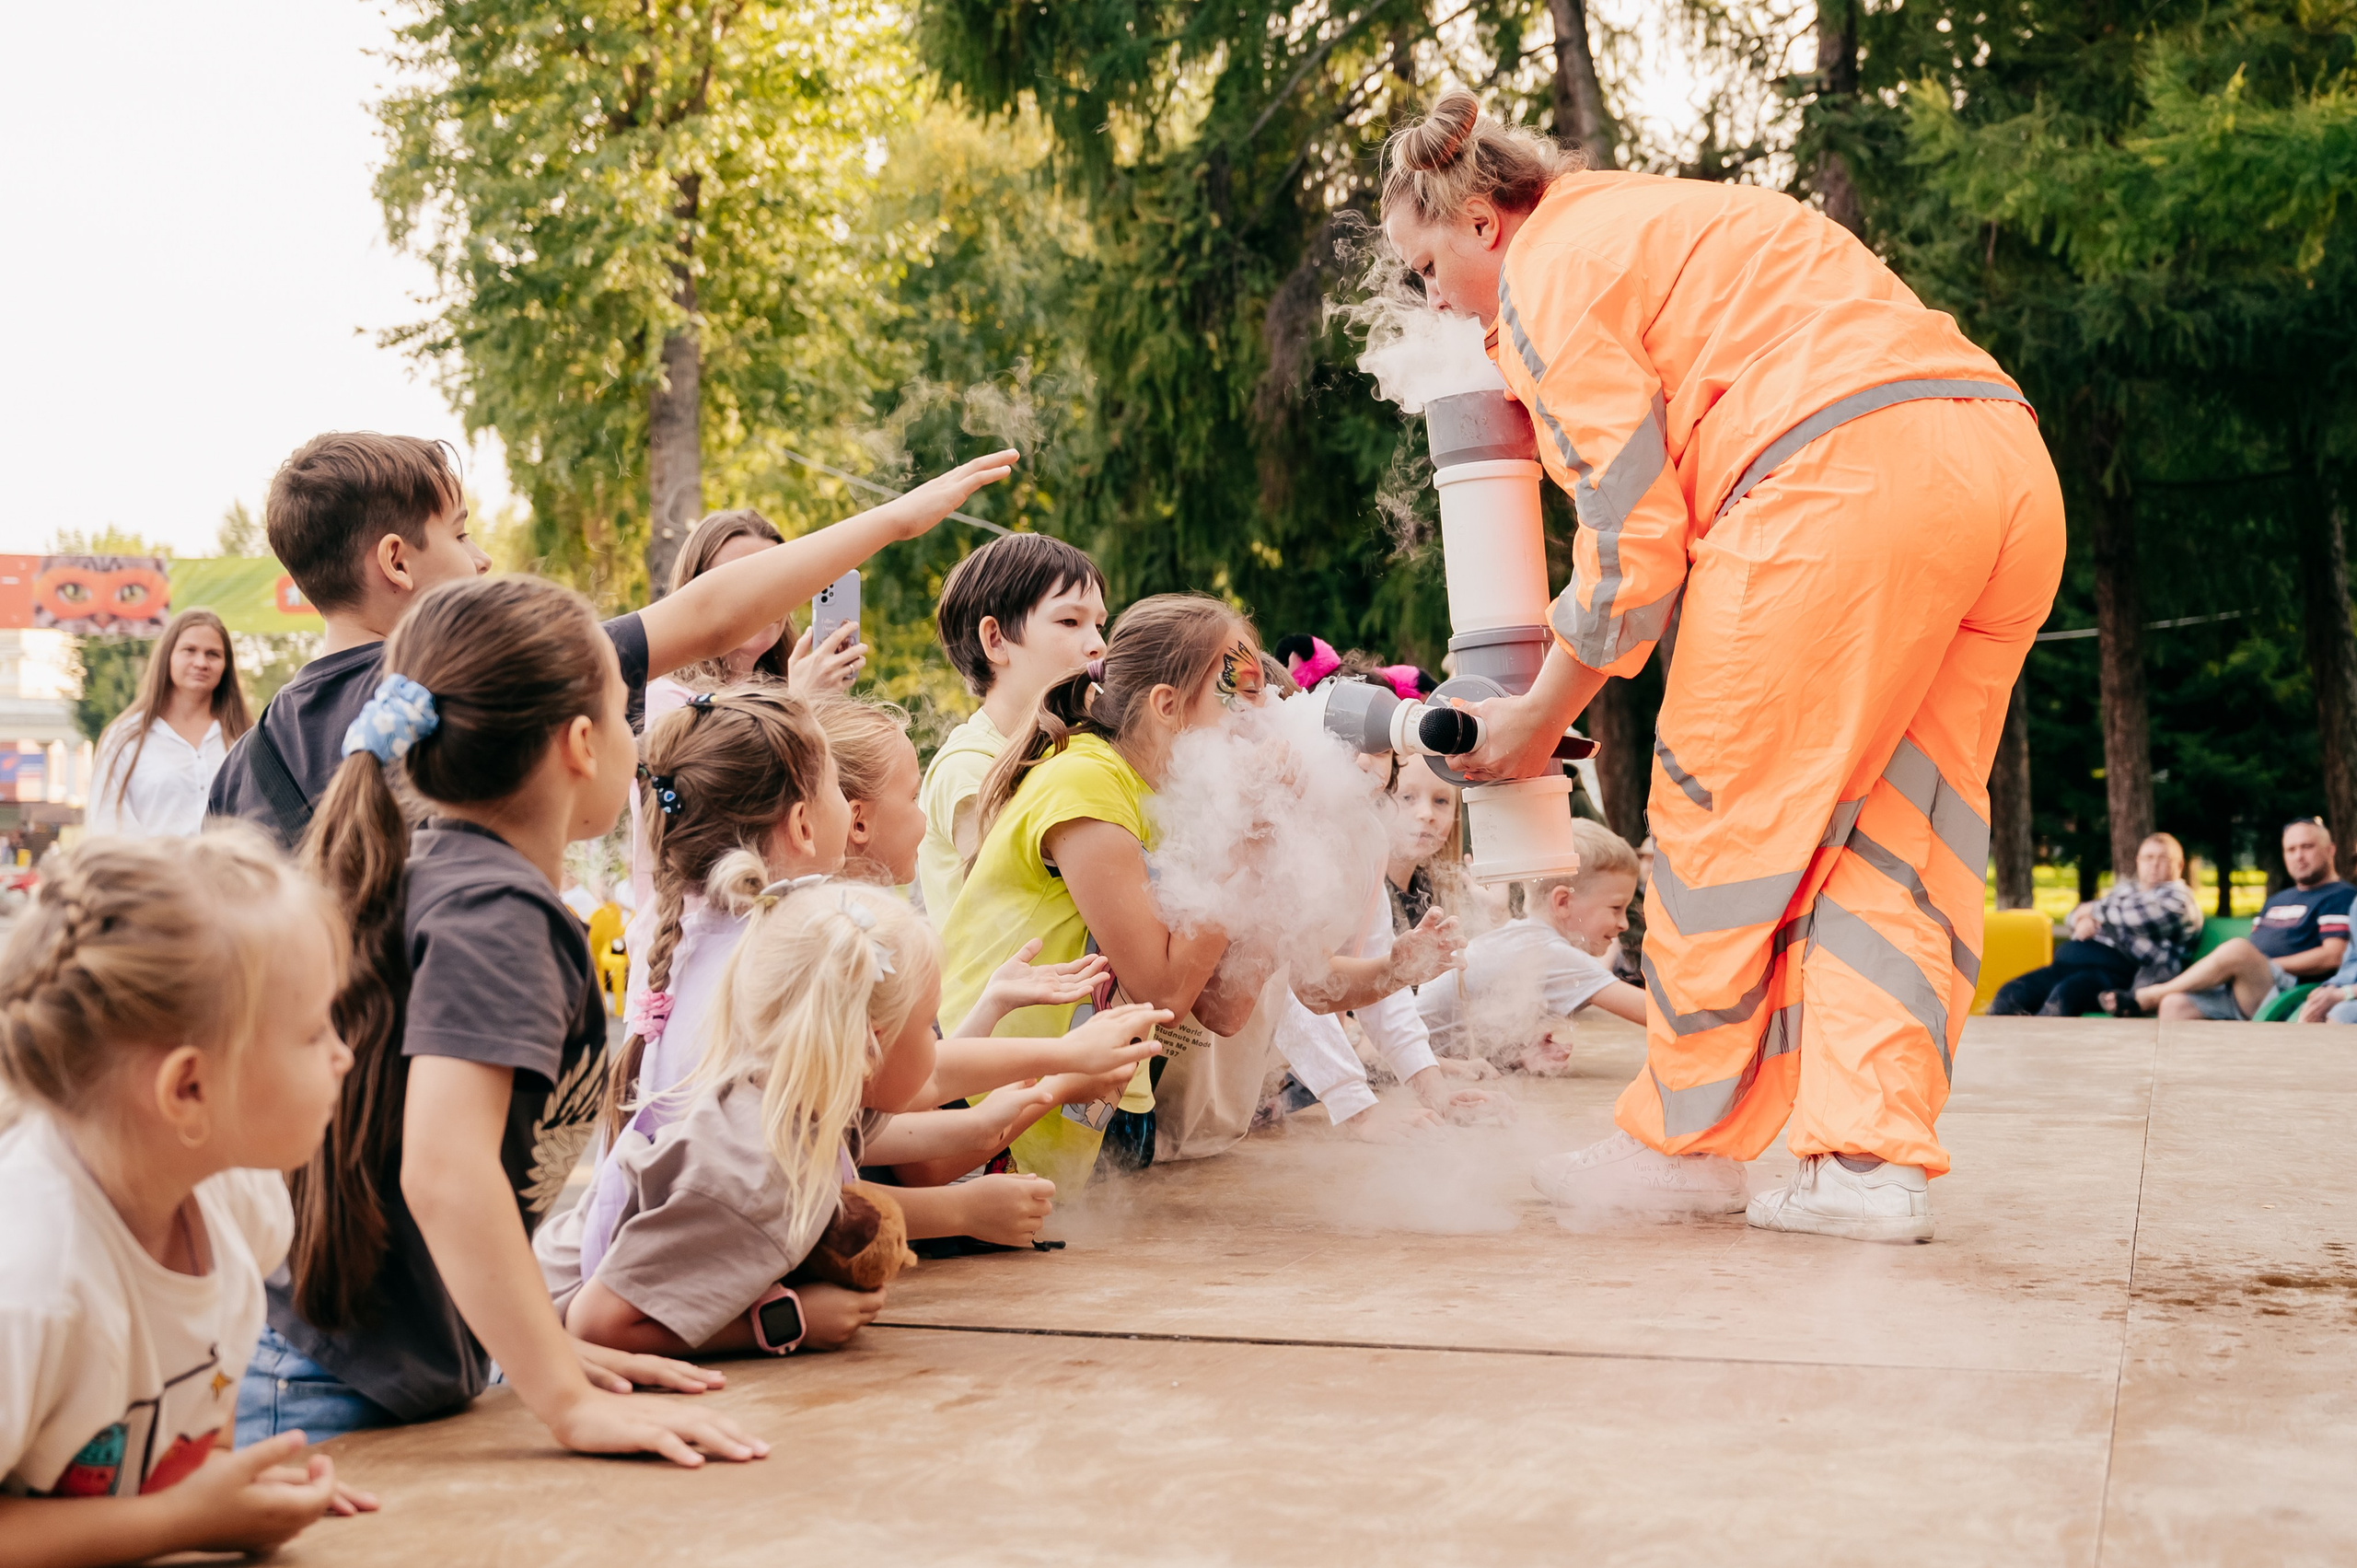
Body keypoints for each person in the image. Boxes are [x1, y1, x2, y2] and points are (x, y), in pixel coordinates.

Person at [1393, 91, 2065, 1244]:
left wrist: (1539, 712)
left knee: (1721, 827)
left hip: (1835, 483)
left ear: (1483, 224)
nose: (1433, 299)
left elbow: (1631, 536)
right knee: (1894, 848)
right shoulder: (1661, 216)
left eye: (1425, 267)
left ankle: (1685, 1149)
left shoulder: (1549, 270)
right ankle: (1864, 1165)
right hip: (2000, 467)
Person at [244, 575, 765, 1469]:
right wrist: (564, 1400)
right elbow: (445, 1172)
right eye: (625, 709)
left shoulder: (447, 875)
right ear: (579, 742)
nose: (636, 737)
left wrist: (535, 1348)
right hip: (337, 1394)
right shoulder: (497, 913)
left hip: (359, 1368)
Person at [207, 431, 1014, 844]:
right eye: (459, 533)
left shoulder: (247, 764)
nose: (481, 558)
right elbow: (708, 613)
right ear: (396, 560)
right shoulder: (485, 676)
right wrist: (896, 519)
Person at [0, 831, 367, 1564]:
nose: (344, 1053)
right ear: (189, 1087)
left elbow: (203, 1394)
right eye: (312, 1031)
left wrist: (228, 1494)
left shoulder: (240, 1201)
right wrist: (181, 1521)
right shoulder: (32, 1284)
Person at [938, 595, 1268, 1191]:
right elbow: (1164, 992)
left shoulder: (1167, 798)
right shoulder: (1087, 779)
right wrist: (1241, 839)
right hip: (979, 1113)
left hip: (1076, 1118)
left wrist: (1275, 851)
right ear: (1167, 705)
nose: (1260, 718)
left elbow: (1225, 1008)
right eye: (1240, 694)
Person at [552, 877, 942, 1360]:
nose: (936, 1041)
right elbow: (595, 1325)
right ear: (870, 1044)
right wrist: (792, 1320)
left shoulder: (794, 1105)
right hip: (539, 1361)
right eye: (929, 1025)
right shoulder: (759, 1171)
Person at [917, 533, 1108, 923]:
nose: (1098, 645)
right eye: (1070, 621)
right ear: (996, 640)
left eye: (1100, 625)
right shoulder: (967, 765)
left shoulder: (1080, 748)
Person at [1422, 819, 1650, 1071]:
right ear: (1563, 902)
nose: (1624, 924)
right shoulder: (1551, 953)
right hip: (1407, 1060)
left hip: (1411, 1054)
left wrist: (1516, 1055)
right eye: (1616, 908)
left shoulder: (1525, 939)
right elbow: (1659, 1014)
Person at [2112, 819, 2350, 1020]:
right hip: (2245, 985)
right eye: (2291, 849)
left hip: (2290, 992)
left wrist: (2262, 963)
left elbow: (2333, 956)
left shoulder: (2339, 895)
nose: (2299, 856)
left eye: (2307, 847)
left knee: (2238, 950)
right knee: (2174, 1005)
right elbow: (2255, 947)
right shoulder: (2277, 900)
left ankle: (2153, 994)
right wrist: (2247, 964)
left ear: (2330, 850)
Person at [1990, 832, 2200, 1016]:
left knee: (2065, 995)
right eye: (2149, 857)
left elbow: (2139, 917)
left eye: (2163, 858)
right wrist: (2085, 918)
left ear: (2179, 865)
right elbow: (2074, 915)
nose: (2154, 864)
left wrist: (2094, 912)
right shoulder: (2127, 891)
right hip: (2076, 961)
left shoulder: (2179, 899)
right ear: (2138, 861)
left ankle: (2035, 1042)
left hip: (2124, 973)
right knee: (2011, 993)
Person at [87, 609, 250, 838]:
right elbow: (108, 825)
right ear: (168, 656)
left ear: (226, 665)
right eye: (189, 650)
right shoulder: (124, 738)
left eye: (213, 654)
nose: (201, 662)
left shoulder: (245, 738)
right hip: (149, 862)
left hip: (230, 862)